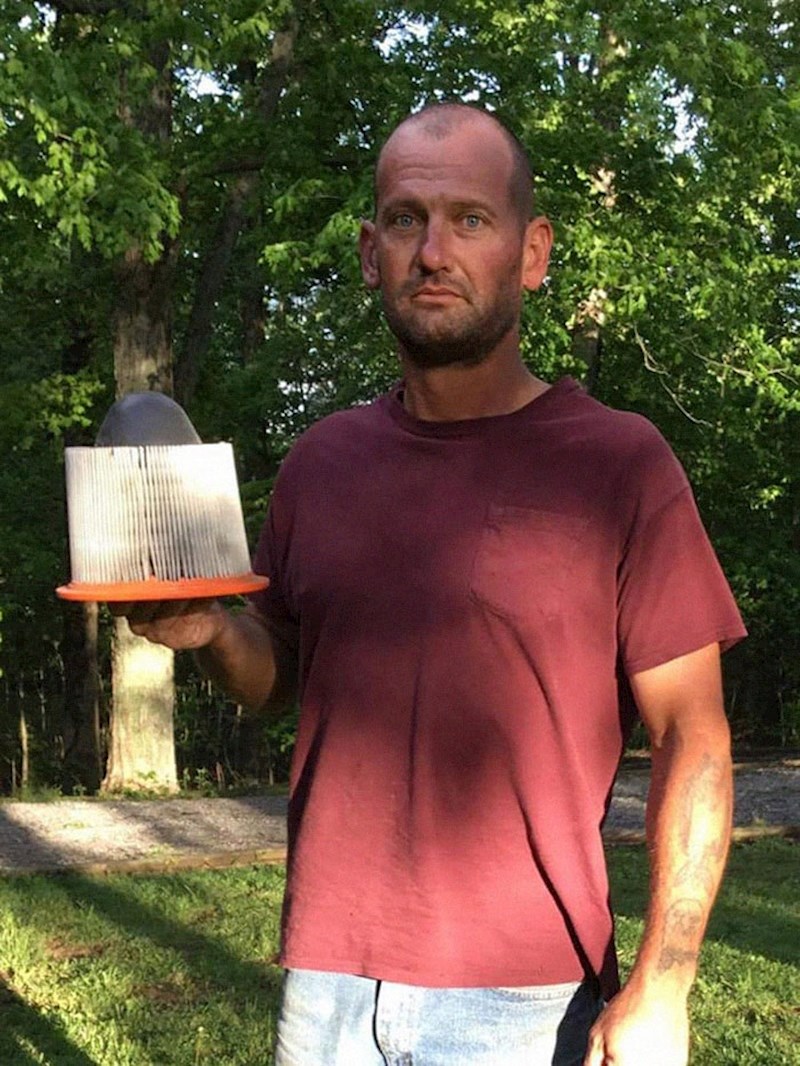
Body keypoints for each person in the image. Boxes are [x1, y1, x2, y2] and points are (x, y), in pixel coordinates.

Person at [122, 103, 746, 1065]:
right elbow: (281, 676)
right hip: (325, 988)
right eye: (406, 219)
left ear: (532, 252)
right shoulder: (323, 462)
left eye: (471, 219)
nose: (433, 251)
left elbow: (692, 736)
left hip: (528, 1001)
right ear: (369, 252)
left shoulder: (619, 465)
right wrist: (210, 629)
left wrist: (665, 983)